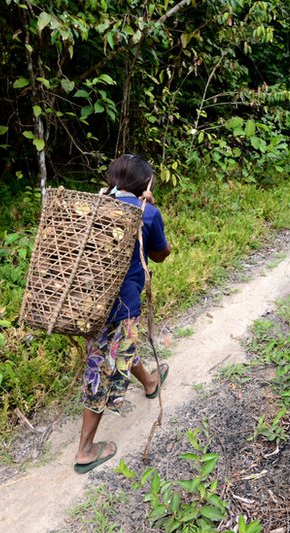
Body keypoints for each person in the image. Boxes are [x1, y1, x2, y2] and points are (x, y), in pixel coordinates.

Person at [74, 154, 172, 474]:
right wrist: (153, 221)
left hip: (91, 302)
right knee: (103, 366)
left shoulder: (94, 206)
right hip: (124, 305)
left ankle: (150, 381)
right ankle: (86, 449)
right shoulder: (147, 212)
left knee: (118, 350)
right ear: (146, 184)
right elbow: (159, 255)